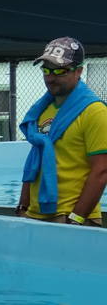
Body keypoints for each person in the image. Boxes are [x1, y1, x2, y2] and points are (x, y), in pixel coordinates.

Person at [18, 36, 107, 226]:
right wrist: (23, 206)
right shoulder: (41, 111)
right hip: (36, 214)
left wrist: (76, 219)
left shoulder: (95, 111)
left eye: (60, 70)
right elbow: (36, 160)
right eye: (46, 70)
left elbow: (101, 171)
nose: (50, 77)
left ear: (79, 71)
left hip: (72, 217)